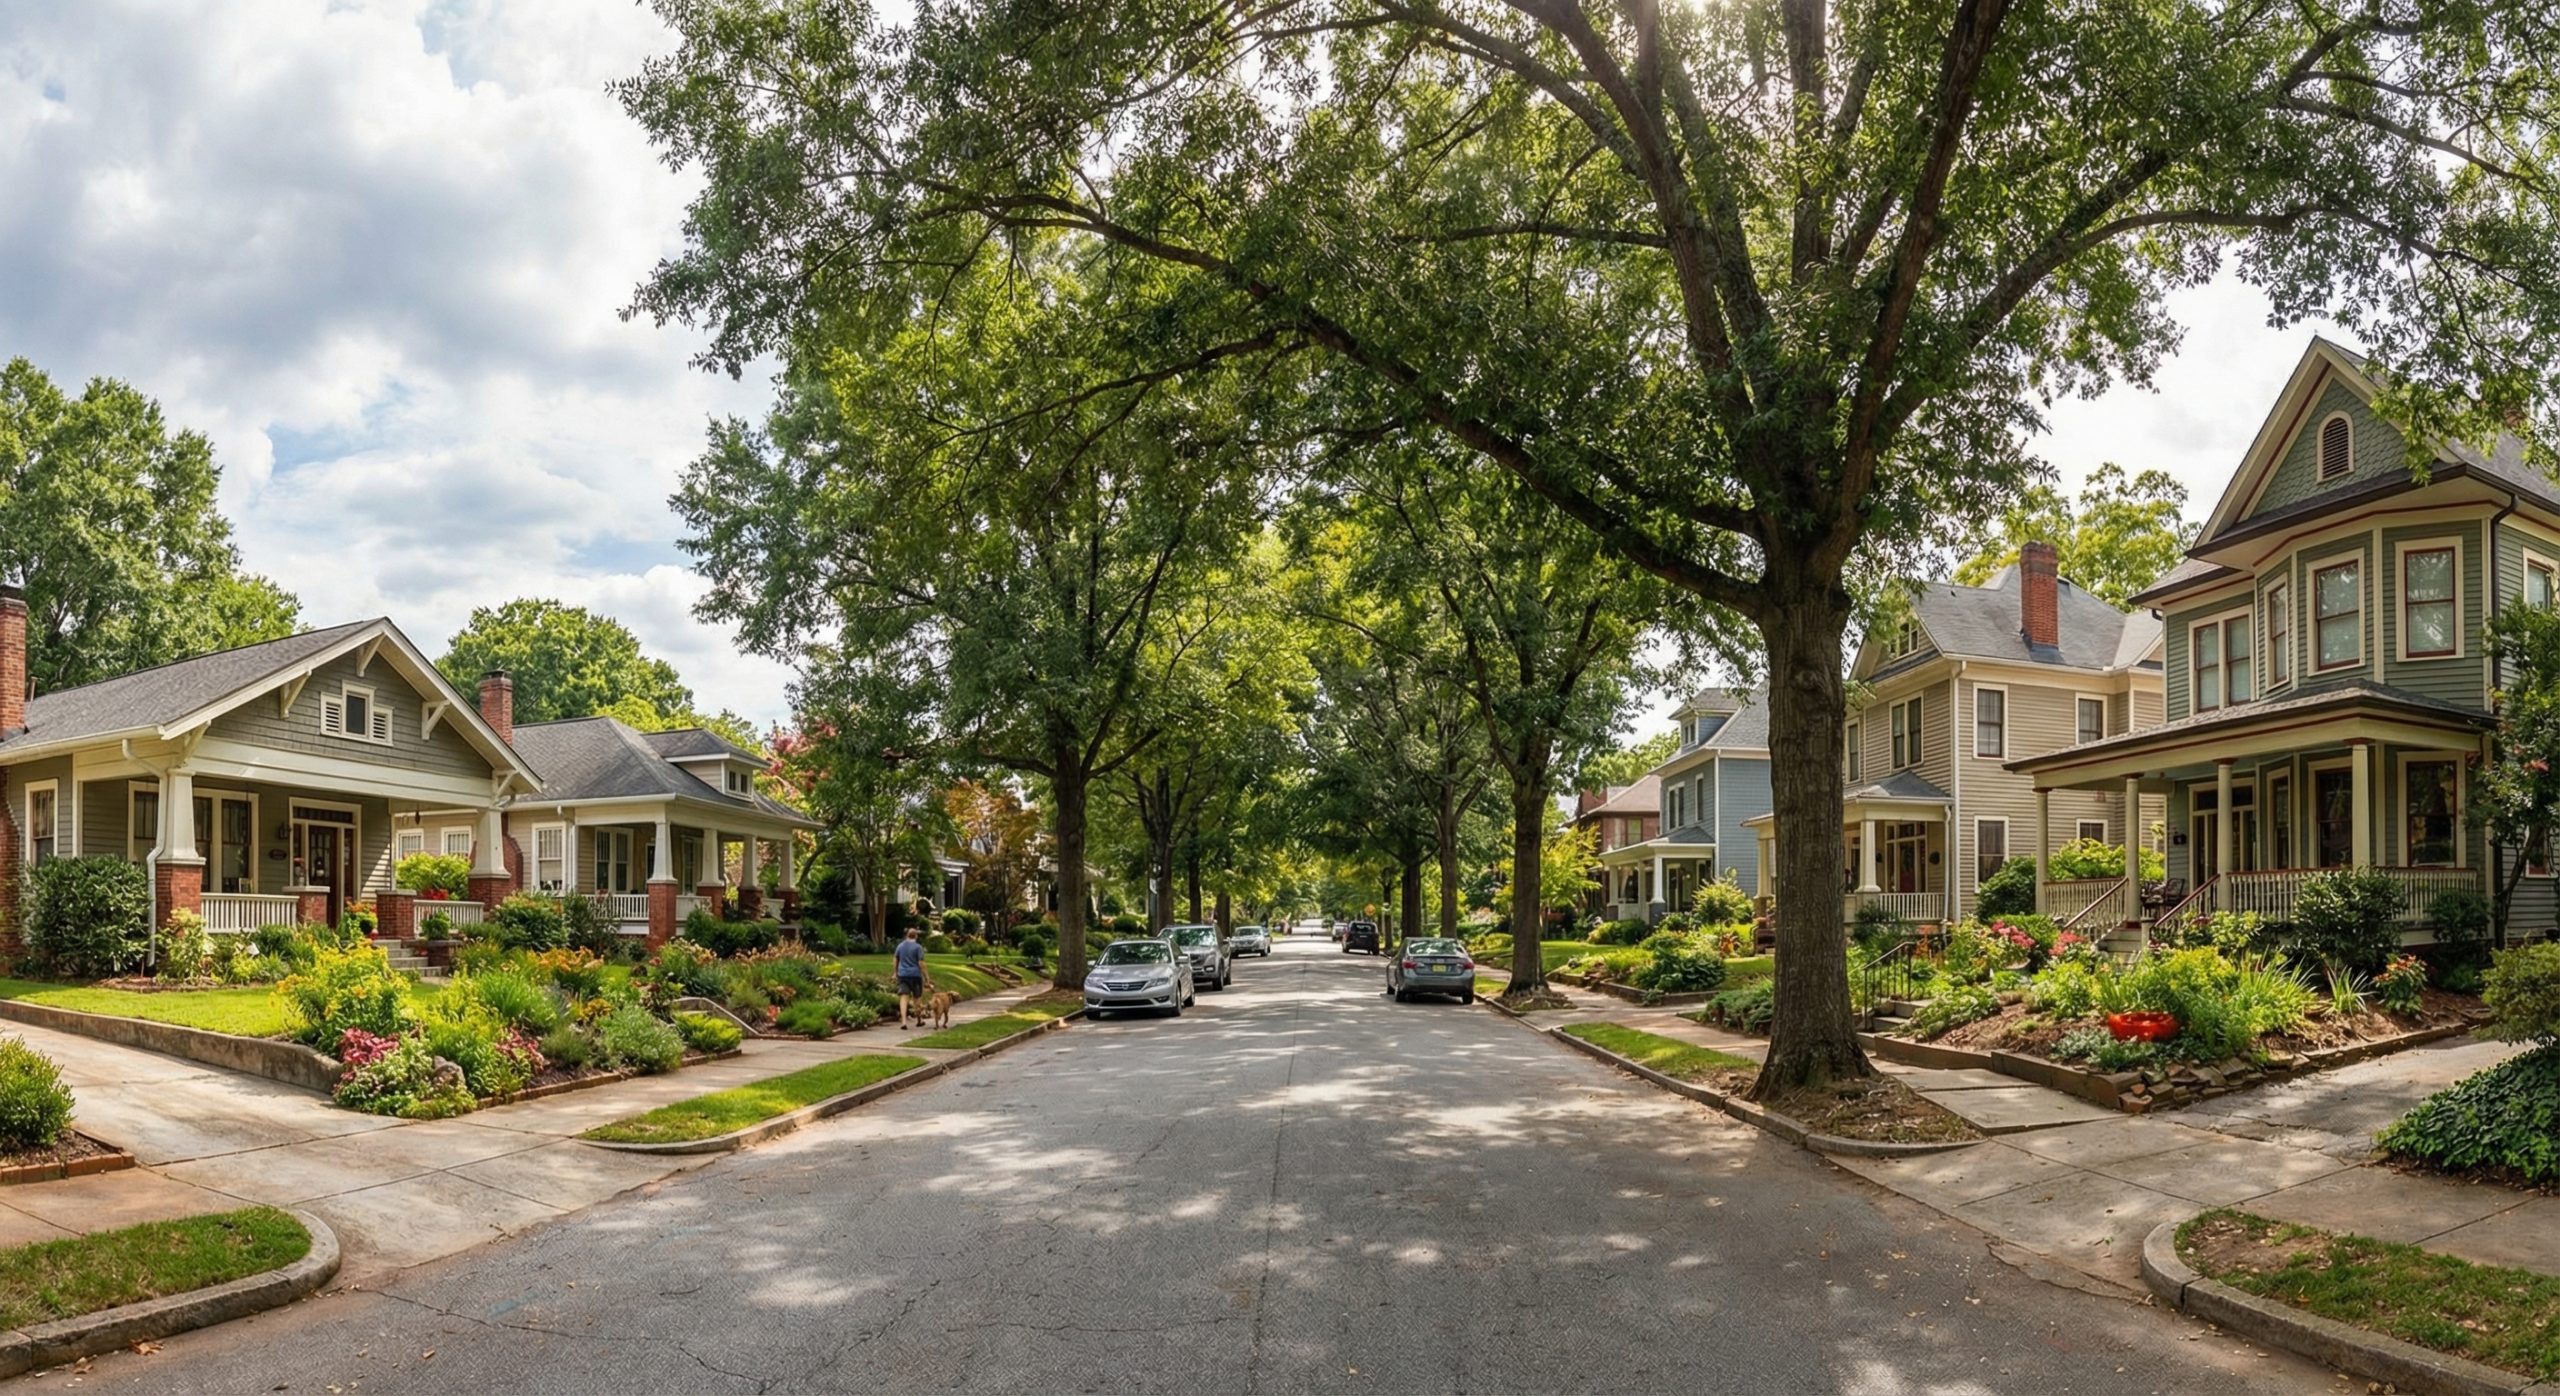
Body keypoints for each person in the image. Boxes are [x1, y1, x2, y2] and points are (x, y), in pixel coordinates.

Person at [894, 927, 928, 1029]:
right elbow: (920, 963)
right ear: (916, 936)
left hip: (903, 975)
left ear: (906, 935)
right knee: (917, 998)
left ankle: (904, 1022)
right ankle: (919, 1020)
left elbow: (895, 959)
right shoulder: (918, 947)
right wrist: (926, 976)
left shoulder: (900, 946)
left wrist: (895, 972)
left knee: (904, 998)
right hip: (915, 975)